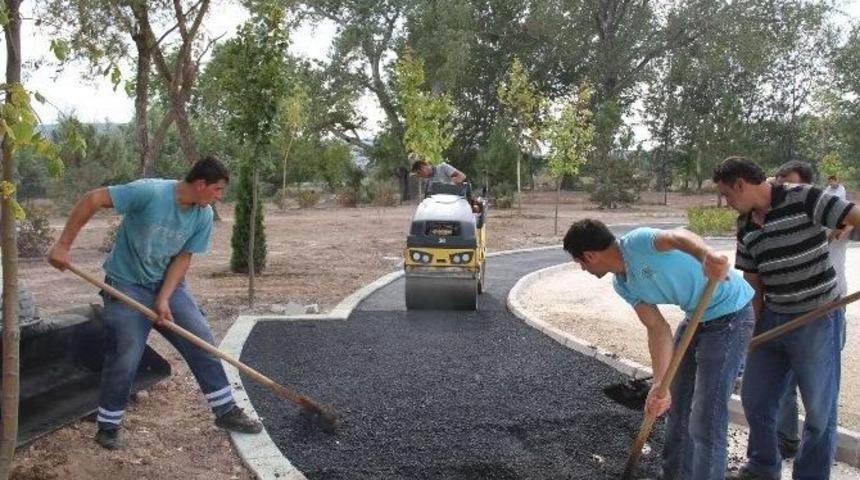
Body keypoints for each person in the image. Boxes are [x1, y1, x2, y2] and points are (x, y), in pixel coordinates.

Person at [47, 156, 262, 450]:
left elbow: (183, 258)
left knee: (201, 340)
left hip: (167, 285)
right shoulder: (149, 192)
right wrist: (63, 245)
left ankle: (226, 411)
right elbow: (92, 199)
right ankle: (108, 425)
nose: (219, 197)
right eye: (217, 189)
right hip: (125, 283)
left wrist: (163, 298)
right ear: (201, 184)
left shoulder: (202, 216)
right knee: (126, 352)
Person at [563, 219, 754, 480]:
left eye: (580, 263)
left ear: (589, 256)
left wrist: (706, 255)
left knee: (706, 415)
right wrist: (659, 385)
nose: (583, 269)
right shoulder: (623, 285)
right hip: (695, 318)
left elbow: (678, 236)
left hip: (731, 315)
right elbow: (657, 328)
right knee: (675, 404)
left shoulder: (639, 243)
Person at [714, 156, 860, 480]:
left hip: (816, 318)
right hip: (773, 317)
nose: (726, 202)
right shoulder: (745, 225)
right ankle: (763, 467)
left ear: (741, 184)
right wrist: (752, 330)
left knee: (819, 411)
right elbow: (753, 281)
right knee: (756, 400)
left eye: (727, 194)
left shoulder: (803, 197)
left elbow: (854, 217)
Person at [773, 161, 851, 460]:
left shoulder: (830, 216)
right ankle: (786, 439)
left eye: (791, 183)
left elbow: (850, 219)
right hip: (786, 311)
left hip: (827, 310)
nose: (784, 188)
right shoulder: (779, 216)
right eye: (780, 182)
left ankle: (817, 458)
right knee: (784, 385)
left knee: (820, 392)